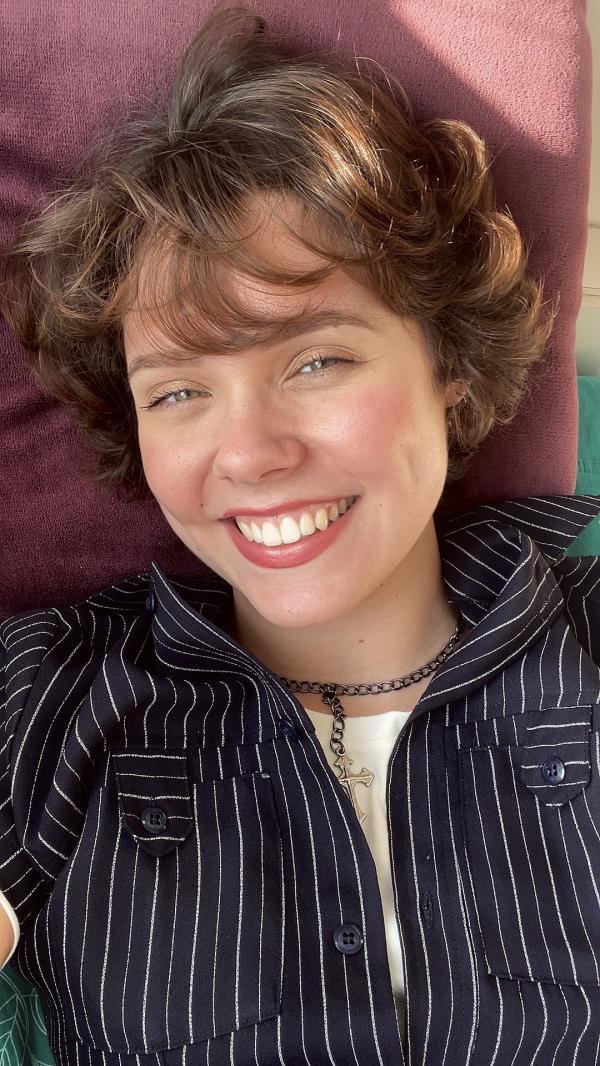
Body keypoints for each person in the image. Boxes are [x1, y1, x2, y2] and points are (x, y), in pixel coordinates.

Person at [1, 6, 599, 1064]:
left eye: (316, 360)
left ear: (451, 367)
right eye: (179, 390)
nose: (249, 453)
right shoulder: (48, 699)